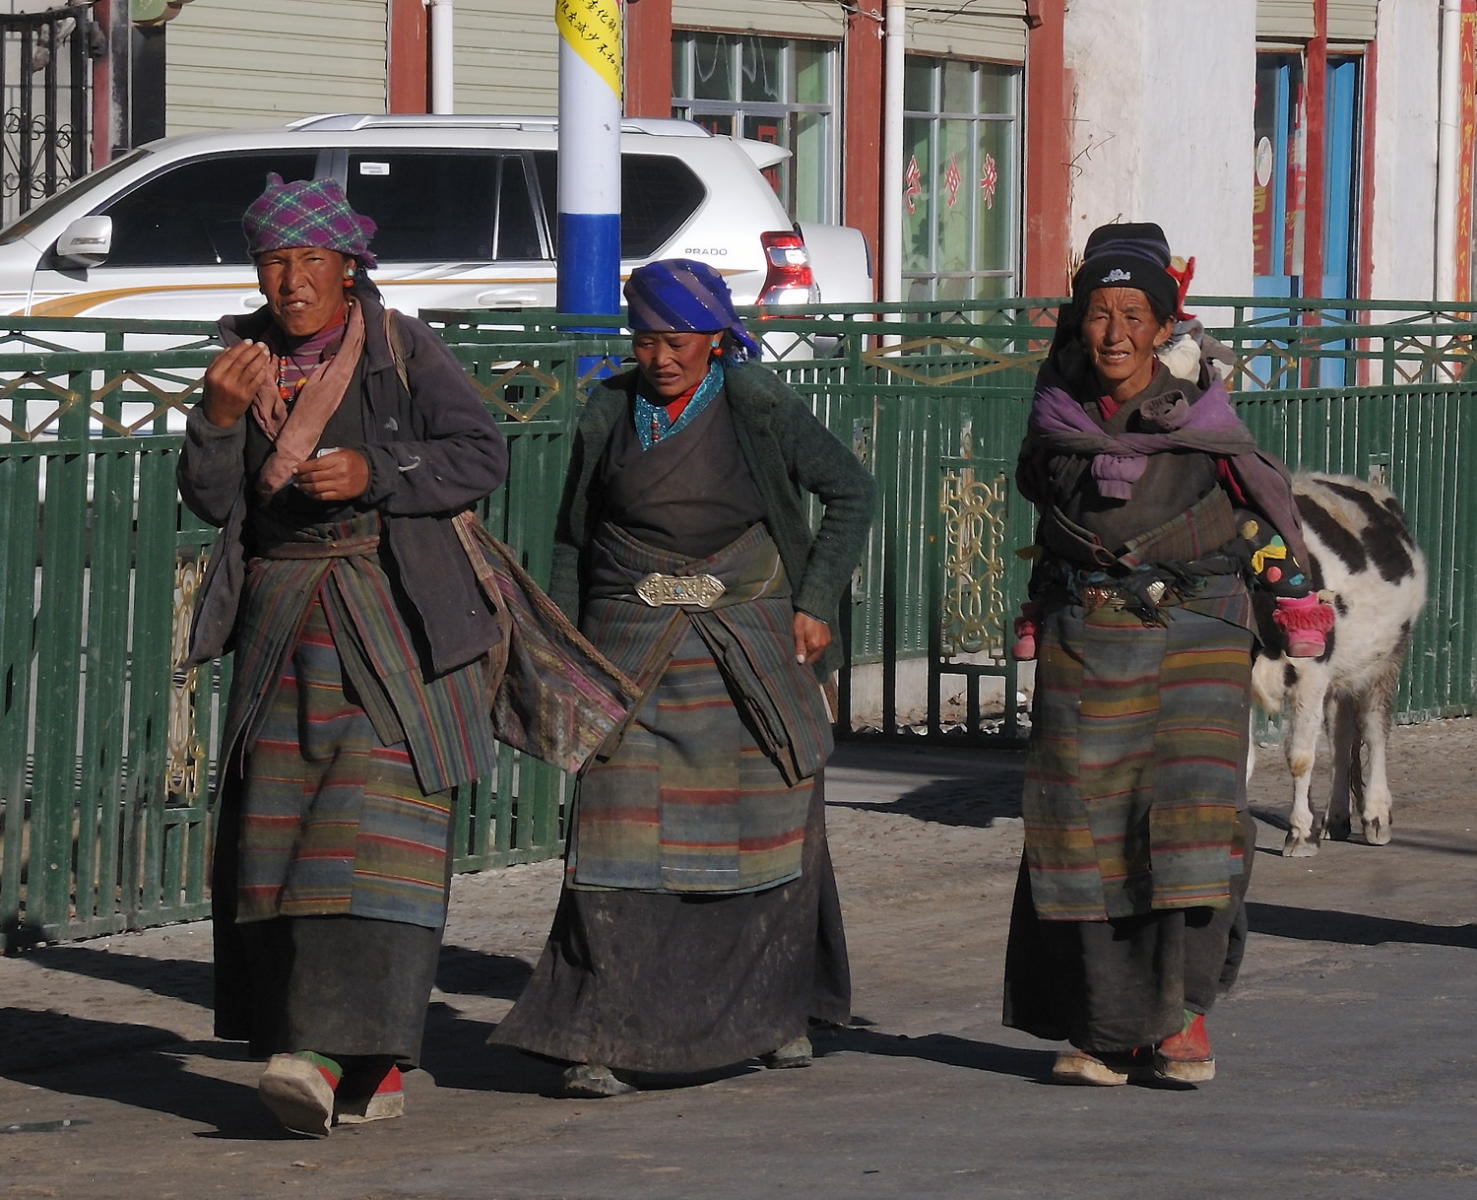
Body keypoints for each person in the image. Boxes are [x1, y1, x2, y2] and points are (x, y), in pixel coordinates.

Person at [489, 258, 875, 1097]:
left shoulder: (756, 404)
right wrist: (563, 648)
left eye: (678, 339)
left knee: (765, 826)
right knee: (614, 841)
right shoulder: (607, 409)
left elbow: (850, 490)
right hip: (630, 649)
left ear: (715, 338)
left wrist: (815, 600)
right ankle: (599, 1033)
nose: (661, 356)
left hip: (749, 649)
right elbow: (571, 537)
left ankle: (774, 1016)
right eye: (646, 339)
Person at [178, 174, 512, 1136]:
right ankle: (345, 1055)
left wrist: (379, 471)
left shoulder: (401, 349)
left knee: (375, 839)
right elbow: (207, 500)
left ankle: (338, 1053)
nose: (290, 282)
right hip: (284, 623)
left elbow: (479, 452)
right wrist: (215, 418)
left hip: (393, 623)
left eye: (308, 262)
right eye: (273, 262)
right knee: (279, 838)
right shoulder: (236, 364)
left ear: (347, 266)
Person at [1002, 222, 1328, 1086]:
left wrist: (1289, 596)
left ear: (1161, 325)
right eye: (1097, 314)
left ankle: (1181, 1019)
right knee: (1086, 833)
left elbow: (1257, 509)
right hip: (1086, 644)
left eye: (1131, 314)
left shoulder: (1201, 418)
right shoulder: (1056, 416)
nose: (1113, 333)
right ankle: (1104, 1027)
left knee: (1187, 832)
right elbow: (1048, 513)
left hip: (1195, 645)